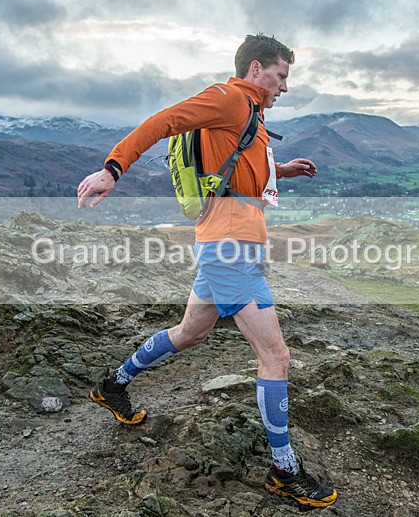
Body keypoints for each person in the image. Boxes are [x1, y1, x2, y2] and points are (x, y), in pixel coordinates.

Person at [77, 34, 337, 509]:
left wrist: (283, 169)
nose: (284, 87)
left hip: (228, 240)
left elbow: (234, 166)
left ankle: (112, 385)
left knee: (191, 332)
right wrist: (112, 169)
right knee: (276, 357)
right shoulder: (229, 98)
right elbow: (162, 121)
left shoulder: (250, 114)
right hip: (230, 247)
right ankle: (284, 470)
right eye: (281, 76)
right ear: (256, 69)